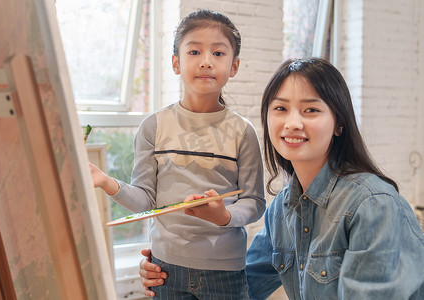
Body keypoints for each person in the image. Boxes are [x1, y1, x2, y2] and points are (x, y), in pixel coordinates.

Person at [139, 57, 424, 299]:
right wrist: (173, 270)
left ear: (339, 123)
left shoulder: (373, 206)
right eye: (281, 108)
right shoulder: (282, 210)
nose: (292, 123)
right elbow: (238, 288)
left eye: (311, 110)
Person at [89, 9, 265, 299]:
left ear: (233, 67)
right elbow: (146, 201)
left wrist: (223, 215)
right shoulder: (153, 127)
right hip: (164, 269)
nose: (206, 61)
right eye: (194, 51)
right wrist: (107, 182)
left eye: (218, 54)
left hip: (226, 271)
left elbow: (255, 202)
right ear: (175, 63)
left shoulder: (243, 132)